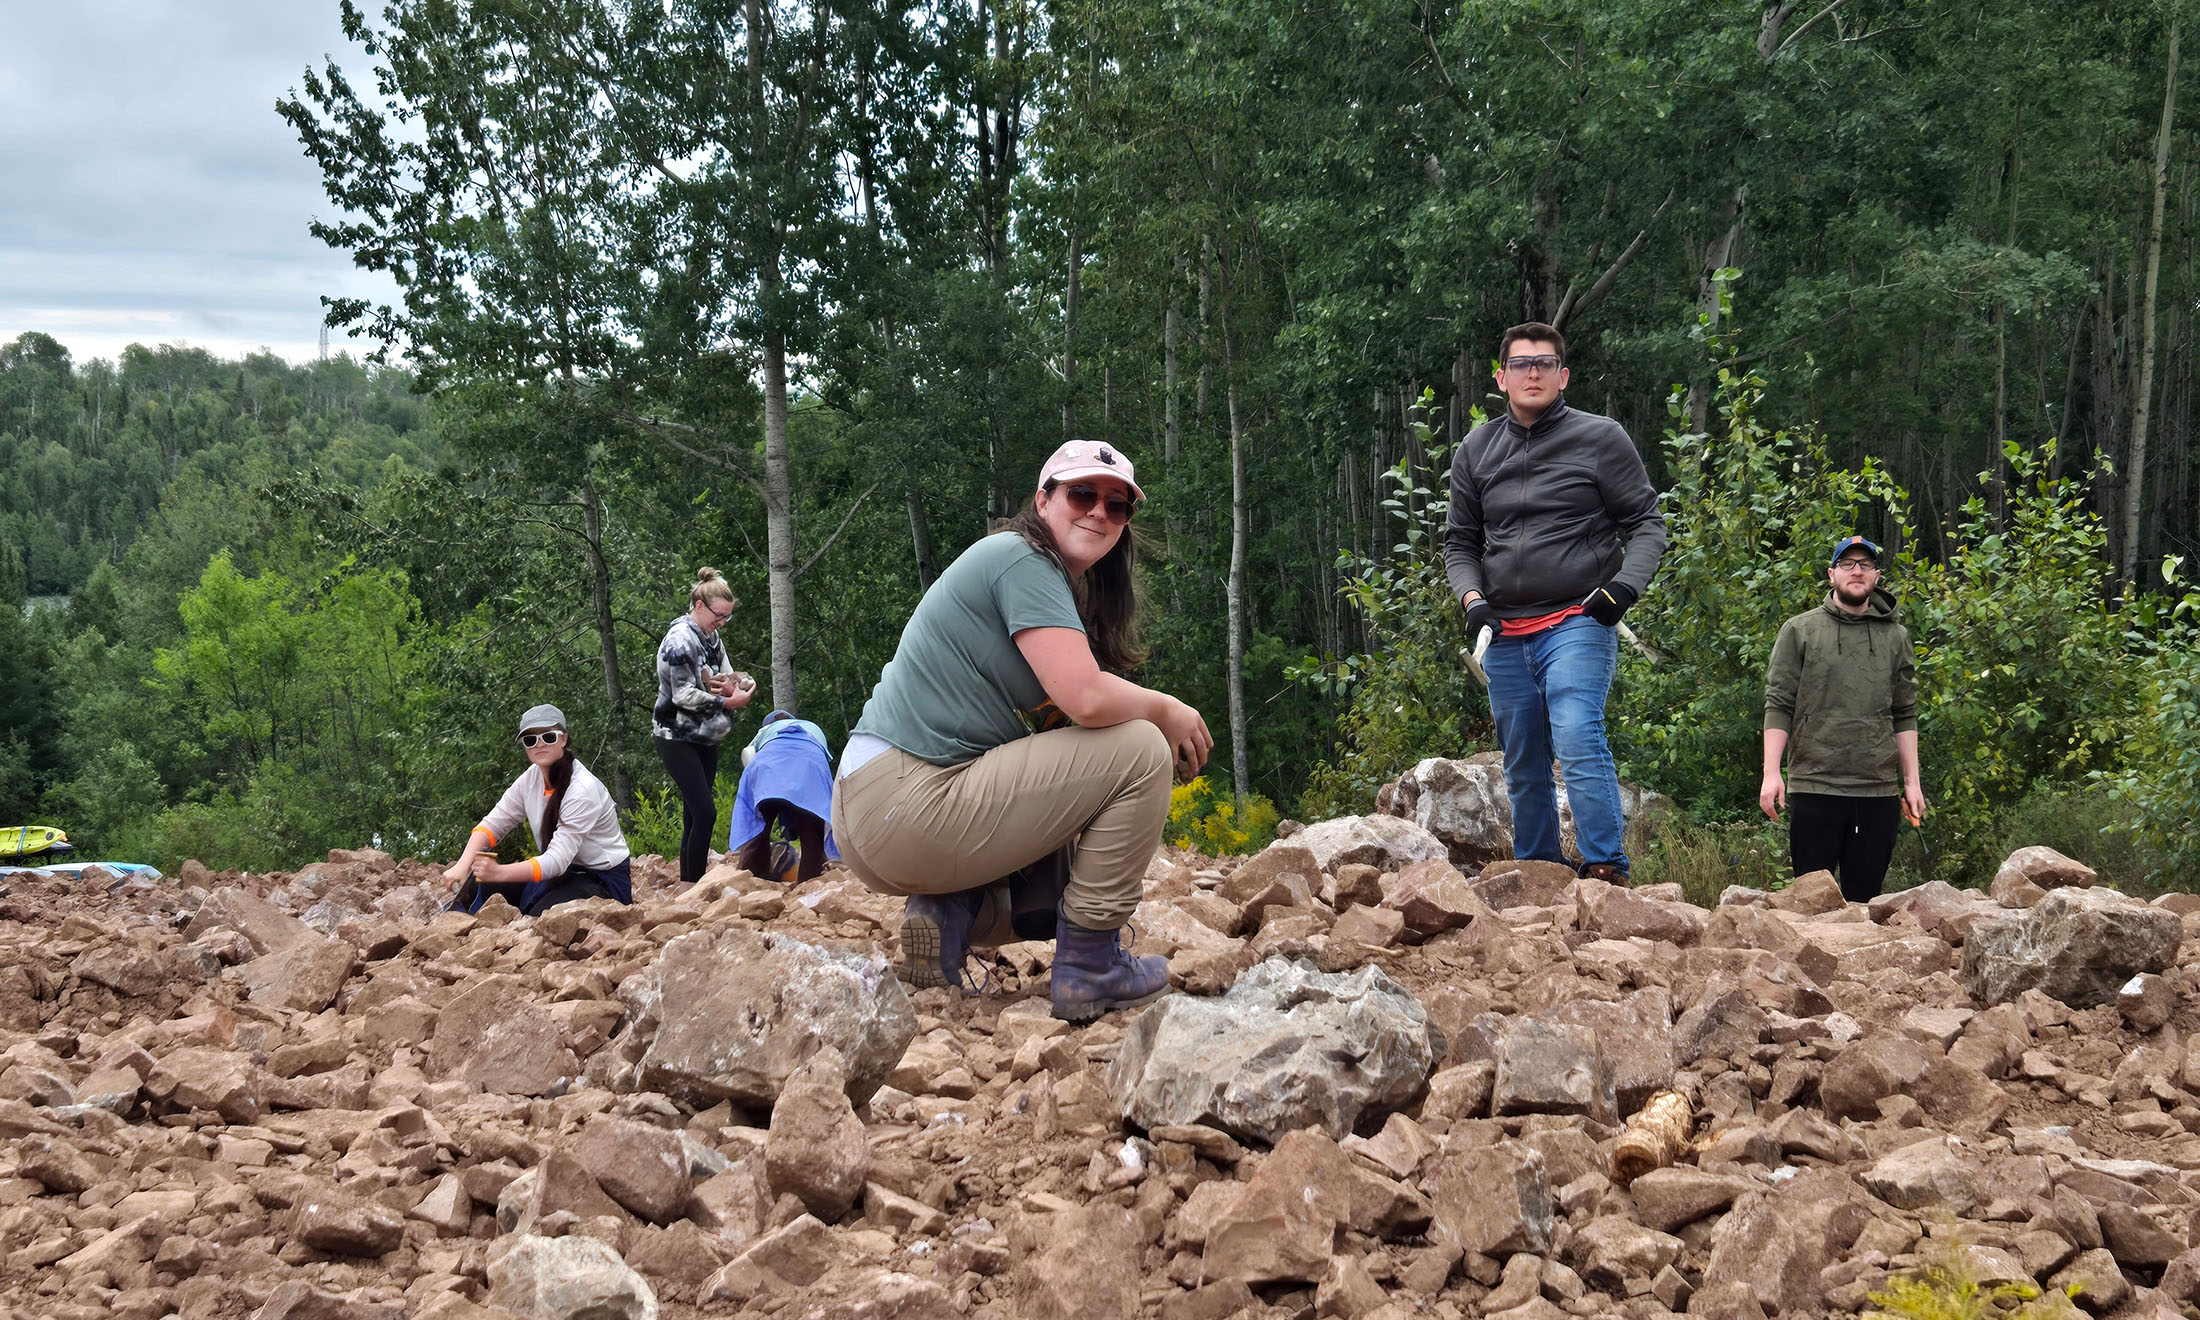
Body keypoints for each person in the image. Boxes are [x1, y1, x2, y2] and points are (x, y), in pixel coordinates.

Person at [831, 440, 1213, 1022]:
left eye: (1118, 505)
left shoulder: (1046, 581)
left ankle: (944, 914)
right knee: (1138, 749)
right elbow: (1085, 698)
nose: (1099, 512)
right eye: (1081, 494)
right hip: (906, 799)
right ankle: (1090, 964)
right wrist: (1168, 710)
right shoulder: (1020, 558)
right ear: (1042, 500)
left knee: (1058, 828)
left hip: (880, 811)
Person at [1444, 321, 1668, 881]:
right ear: (1502, 378)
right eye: (1521, 364)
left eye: (1545, 363)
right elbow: (1460, 542)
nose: (1533, 372)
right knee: (1521, 757)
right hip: (1504, 631)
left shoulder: (1600, 438)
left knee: (1576, 734)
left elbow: (1646, 523)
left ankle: (1605, 869)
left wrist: (1624, 588)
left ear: (1563, 376)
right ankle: (1539, 871)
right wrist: (1472, 598)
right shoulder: (1477, 448)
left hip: (1578, 618)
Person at [1760, 535, 1926, 903]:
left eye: (1865, 564)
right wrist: (1772, 774)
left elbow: (1905, 713)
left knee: (1865, 905)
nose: (1856, 570)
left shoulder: (1896, 637)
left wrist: (1911, 783)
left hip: (1877, 791)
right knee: (1812, 907)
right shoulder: (1799, 630)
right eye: (1847, 563)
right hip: (1814, 787)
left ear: (1877, 576)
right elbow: (1778, 703)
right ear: (1831, 573)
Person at [442, 704, 633, 915]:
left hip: (601, 879)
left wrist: (499, 872)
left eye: (548, 737)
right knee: (484, 887)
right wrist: (462, 866)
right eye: (530, 740)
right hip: (562, 875)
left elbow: (557, 861)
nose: (539, 744)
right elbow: (493, 824)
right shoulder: (530, 778)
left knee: (539, 917)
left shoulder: (582, 789)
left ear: (564, 739)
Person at [654, 567, 755, 887]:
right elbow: (683, 694)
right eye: (719, 616)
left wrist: (739, 683)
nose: (723, 622)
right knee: (705, 811)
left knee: (693, 812)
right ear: (699, 606)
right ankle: (694, 886)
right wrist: (728, 702)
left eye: (728, 617)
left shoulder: (710, 635)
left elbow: (724, 674)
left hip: (704, 734)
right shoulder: (680, 641)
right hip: (675, 735)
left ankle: (687, 885)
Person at [729, 710, 838, 884]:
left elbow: (748, 757)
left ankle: (749, 882)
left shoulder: (764, 733)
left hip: (767, 766)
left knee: (758, 829)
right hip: (809, 767)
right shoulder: (812, 728)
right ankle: (808, 885)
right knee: (811, 835)